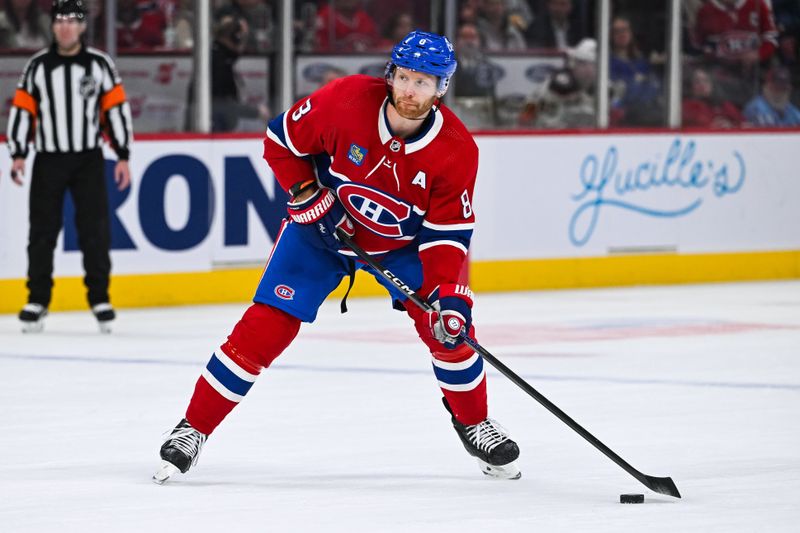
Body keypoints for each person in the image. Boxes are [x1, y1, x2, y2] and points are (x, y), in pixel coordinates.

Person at [153, 30, 522, 484]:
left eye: (424, 82)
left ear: (442, 88)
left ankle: (473, 421)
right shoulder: (345, 100)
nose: (410, 90)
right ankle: (193, 428)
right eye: (404, 77)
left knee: (450, 331)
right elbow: (280, 141)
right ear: (390, 74)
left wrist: (448, 295)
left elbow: (447, 235)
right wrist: (306, 193)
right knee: (264, 328)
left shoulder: (457, 150)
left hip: (401, 246)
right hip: (321, 236)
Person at [5, 0, 133, 333]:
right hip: (48, 159)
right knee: (42, 232)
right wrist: (18, 153)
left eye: (72, 21)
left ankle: (99, 298)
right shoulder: (37, 66)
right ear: (52, 26)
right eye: (59, 21)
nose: (65, 27)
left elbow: (115, 110)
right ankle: (37, 300)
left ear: (81, 27)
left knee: (95, 231)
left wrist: (122, 154)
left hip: (87, 159)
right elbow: (23, 112)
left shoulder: (99, 65)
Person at [692, 0, 779, 106]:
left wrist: (757, 54)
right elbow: (700, 45)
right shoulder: (706, 11)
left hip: (754, 73)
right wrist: (714, 55)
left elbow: (771, 39)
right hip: (721, 75)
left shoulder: (758, 5)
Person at [609, 15, 663, 126]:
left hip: (648, 114)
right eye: (616, 31)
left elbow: (655, 87)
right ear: (610, 35)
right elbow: (619, 93)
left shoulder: (642, 61)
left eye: (625, 30)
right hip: (624, 118)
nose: (622, 34)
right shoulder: (608, 63)